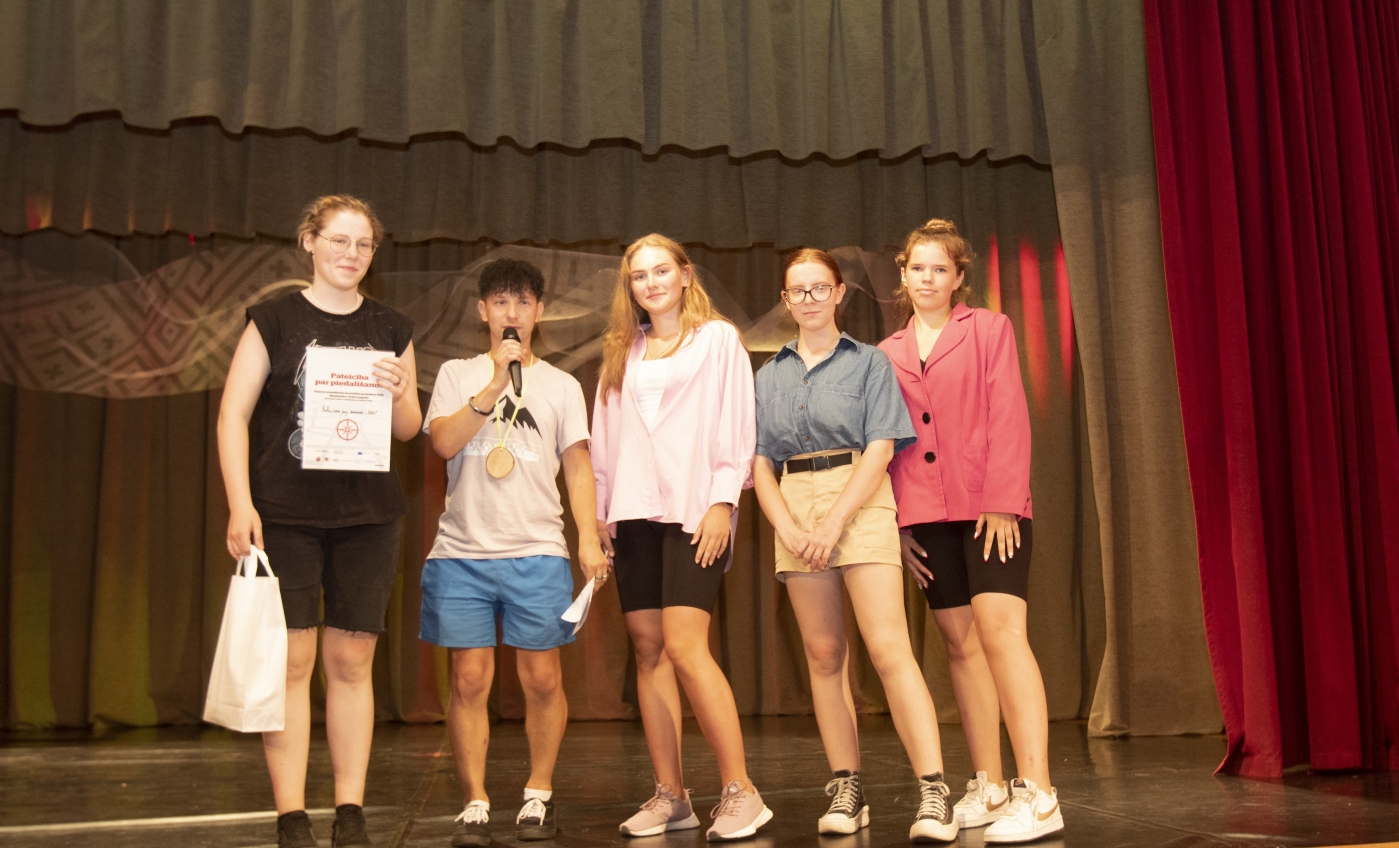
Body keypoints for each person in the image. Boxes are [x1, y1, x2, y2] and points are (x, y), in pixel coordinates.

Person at [218, 195, 422, 848]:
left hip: (369, 516)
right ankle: (291, 816)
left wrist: (401, 393)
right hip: (284, 513)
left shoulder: (391, 327)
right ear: (309, 240)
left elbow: (409, 429)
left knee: (352, 661)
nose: (350, 254)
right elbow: (232, 415)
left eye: (363, 244)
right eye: (338, 240)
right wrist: (241, 503)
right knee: (292, 661)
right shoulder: (273, 320)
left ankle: (350, 810)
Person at [751, 249, 960, 843]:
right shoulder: (767, 375)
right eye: (798, 291)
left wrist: (834, 522)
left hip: (861, 499)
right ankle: (847, 787)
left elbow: (881, 448)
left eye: (820, 287)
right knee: (823, 655)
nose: (810, 299)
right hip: (794, 504)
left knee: (889, 649)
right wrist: (788, 527)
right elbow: (759, 463)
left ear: (839, 293)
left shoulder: (870, 362)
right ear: (786, 300)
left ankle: (933, 790)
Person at [878, 219, 1063, 843]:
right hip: (924, 514)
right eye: (917, 268)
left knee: (1002, 635)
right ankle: (989, 785)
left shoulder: (988, 329)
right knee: (960, 647)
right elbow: (887, 441)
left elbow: (1009, 411)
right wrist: (899, 523)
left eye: (940, 269)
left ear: (959, 277)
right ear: (903, 275)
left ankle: (1039, 793)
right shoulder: (886, 351)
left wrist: (1004, 500)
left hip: (990, 509)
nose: (927, 279)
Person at [419, 258, 611, 847]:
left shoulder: (562, 385)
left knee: (543, 678)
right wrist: (495, 385)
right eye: (500, 302)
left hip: (537, 549)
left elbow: (578, 466)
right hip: (461, 553)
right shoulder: (457, 373)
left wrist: (586, 537)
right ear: (483, 311)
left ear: (539, 311)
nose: (512, 313)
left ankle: (538, 793)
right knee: (468, 678)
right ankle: (474, 801)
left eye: (523, 302)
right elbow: (443, 443)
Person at [590, 234, 771, 841]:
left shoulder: (717, 340)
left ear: (686, 275)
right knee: (648, 649)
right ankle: (672, 796)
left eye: (661, 270)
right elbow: (603, 439)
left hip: (695, 510)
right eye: (639, 275)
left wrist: (723, 500)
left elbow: (736, 424)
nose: (651, 283)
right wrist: (602, 514)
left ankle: (742, 791)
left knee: (687, 646)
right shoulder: (622, 349)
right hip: (633, 513)